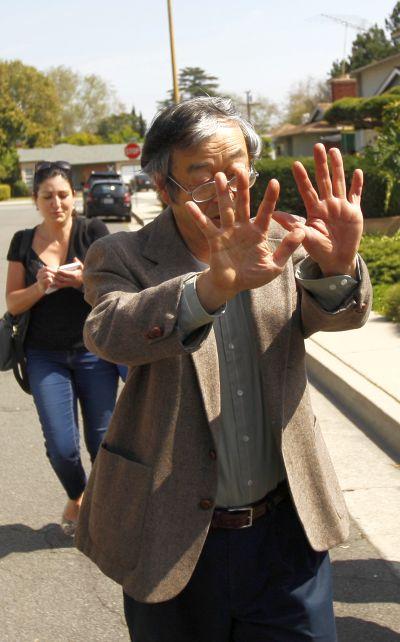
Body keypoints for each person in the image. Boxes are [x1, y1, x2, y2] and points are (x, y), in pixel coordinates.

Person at [75, 97, 372, 642]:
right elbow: (108, 332)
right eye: (204, 176)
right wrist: (210, 287)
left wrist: (337, 269)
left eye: (238, 168)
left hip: (285, 533)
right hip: (167, 534)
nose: (229, 189)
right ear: (165, 188)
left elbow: (335, 316)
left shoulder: (285, 242)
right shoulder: (123, 254)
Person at [6, 161, 120, 536]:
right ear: (36, 200)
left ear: (74, 196)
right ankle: (79, 494)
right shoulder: (22, 241)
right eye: (47, 196)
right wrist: (40, 287)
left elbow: (116, 290)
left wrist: (82, 279)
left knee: (103, 440)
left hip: (94, 351)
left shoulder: (93, 232)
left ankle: (97, 507)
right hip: (43, 355)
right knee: (61, 446)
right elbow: (13, 304)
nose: (56, 203)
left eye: (63, 195)